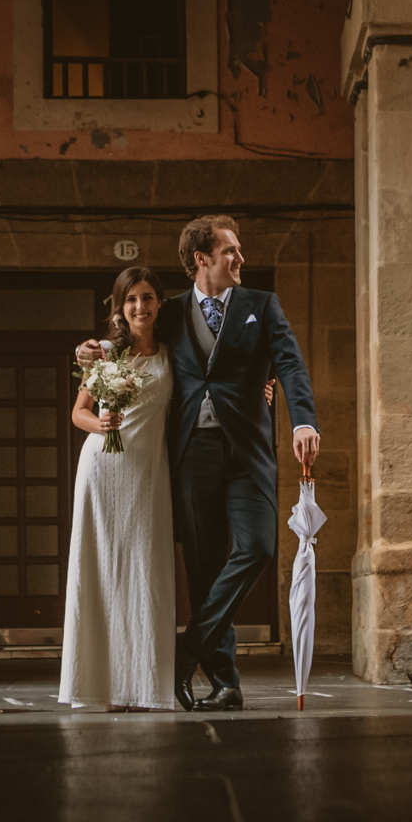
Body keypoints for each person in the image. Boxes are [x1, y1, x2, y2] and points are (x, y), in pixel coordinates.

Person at [77, 215, 319, 712]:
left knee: (257, 548)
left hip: (247, 453)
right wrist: (90, 350)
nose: (241, 258)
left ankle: (189, 650)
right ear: (201, 260)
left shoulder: (261, 306)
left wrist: (302, 421)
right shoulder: (171, 311)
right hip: (191, 455)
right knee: (206, 571)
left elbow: (290, 362)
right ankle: (226, 683)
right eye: (230, 250)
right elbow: (130, 337)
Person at [60, 266, 178, 710]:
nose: (139, 307)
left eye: (147, 297)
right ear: (120, 306)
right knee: (101, 572)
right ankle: (98, 689)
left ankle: (145, 687)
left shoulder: (172, 353)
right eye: (131, 299)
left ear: (159, 303)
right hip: (103, 469)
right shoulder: (107, 352)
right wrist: (101, 422)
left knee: (146, 571)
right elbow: (79, 413)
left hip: (148, 474)